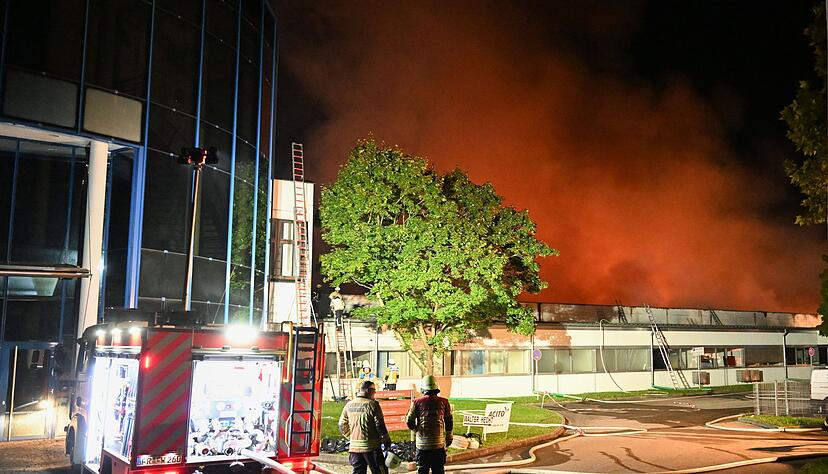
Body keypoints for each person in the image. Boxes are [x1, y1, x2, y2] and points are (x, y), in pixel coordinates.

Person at [338, 381, 391, 474]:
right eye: (374, 390)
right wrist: (386, 441)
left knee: (358, 472)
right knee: (380, 471)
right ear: (368, 390)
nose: (374, 393)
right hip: (372, 447)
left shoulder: (349, 405)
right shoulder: (373, 404)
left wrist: (351, 437)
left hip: (354, 449)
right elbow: (380, 425)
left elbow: (342, 424)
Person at [406, 375, 453, 474]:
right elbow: (449, 421)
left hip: (422, 445)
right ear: (436, 388)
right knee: (438, 470)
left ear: (423, 388)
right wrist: (449, 436)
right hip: (438, 445)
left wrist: (416, 430)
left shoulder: (416, 402)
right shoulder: (444, 402)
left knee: (422, 470)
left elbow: (409, 421)